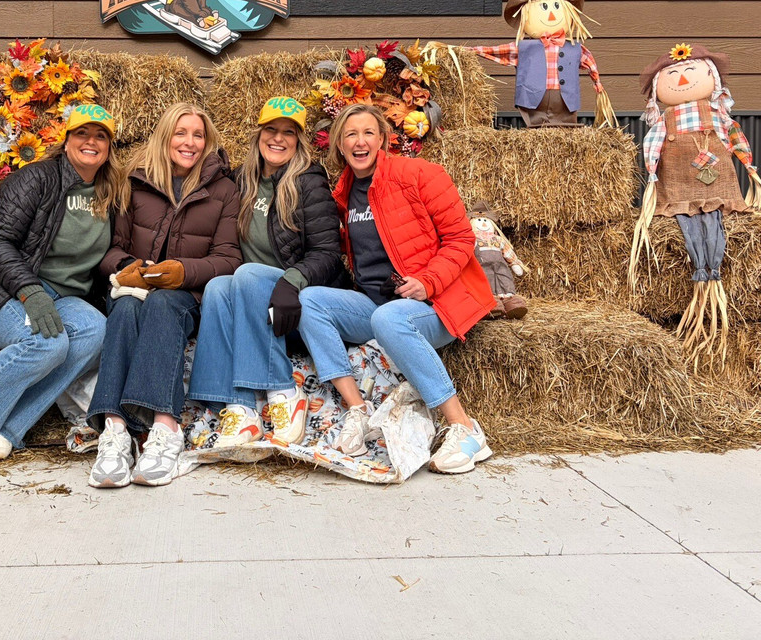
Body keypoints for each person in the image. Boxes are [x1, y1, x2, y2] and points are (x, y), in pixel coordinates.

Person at [296, 104, 497, 473]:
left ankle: (464, 428)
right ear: (339, 144)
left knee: (390, 319)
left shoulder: (420, 174)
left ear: (384, 140)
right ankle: (357, 411)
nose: (360, 141)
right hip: (377, 305)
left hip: (434, 304)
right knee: (310, 300)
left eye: (368, 133)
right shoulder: (343, 192)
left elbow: (460, 238)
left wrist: (428, 281)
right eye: (350, 134)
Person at [0, 105, 125, 469]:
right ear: (66, 140)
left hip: (65, 296)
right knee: (47, 343)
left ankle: (10, 429)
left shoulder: (111, 193)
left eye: (100, 136)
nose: (90, 142)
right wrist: (30, 292)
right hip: (7, 290)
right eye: (82, 133)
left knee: (96, 330)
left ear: (109, 146)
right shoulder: (36, 179)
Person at [87, 103, 240, 488]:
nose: (189, 142)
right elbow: (110, 248)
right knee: (123, 305)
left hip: (188, 294)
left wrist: (184, 272)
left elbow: (229, 258)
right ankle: (116, 432)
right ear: (165, 136)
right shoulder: (135, 181)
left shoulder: (224, 189)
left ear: (207, 142)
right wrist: (126, 266)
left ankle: (165, 428)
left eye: (198, 135)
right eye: (181, 133)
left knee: (162, 302)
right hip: (138, 286)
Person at [187, 96, 343, 447]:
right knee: (217, 286)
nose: (278, 138)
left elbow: (329, 253)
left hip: (291, 296)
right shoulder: (242, 180)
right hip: (250, 295)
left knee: (246, 275)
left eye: (289, 132)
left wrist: (292, 282)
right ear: (258, 134)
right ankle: (240, 410)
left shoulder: (308, 181)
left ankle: (285, 392)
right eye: (271, 129)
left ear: (299, 140)